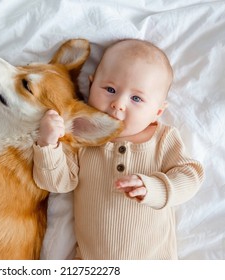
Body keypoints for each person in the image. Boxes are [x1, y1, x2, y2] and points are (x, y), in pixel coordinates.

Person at [33, 39, 204, 259]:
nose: (119, 104)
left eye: (136, 98)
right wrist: (48, 144)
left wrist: (154, 188)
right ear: (91, 85)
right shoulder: (83, 137)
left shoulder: (162, 139)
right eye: (110, 89)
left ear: (157, 112)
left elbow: (191, 176)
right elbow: (56, 182)